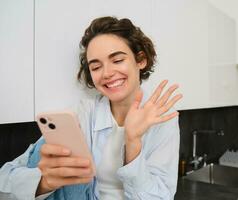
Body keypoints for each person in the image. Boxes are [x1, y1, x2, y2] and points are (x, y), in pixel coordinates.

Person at [0, 16, 182, 200]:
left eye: (117, 60)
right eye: (96, 67)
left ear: (140, 60)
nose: (107, 73)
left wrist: (133, 142)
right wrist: (45, 182)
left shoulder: (162, 118)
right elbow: (4, 180)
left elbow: (160, 197)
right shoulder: (82, 114)